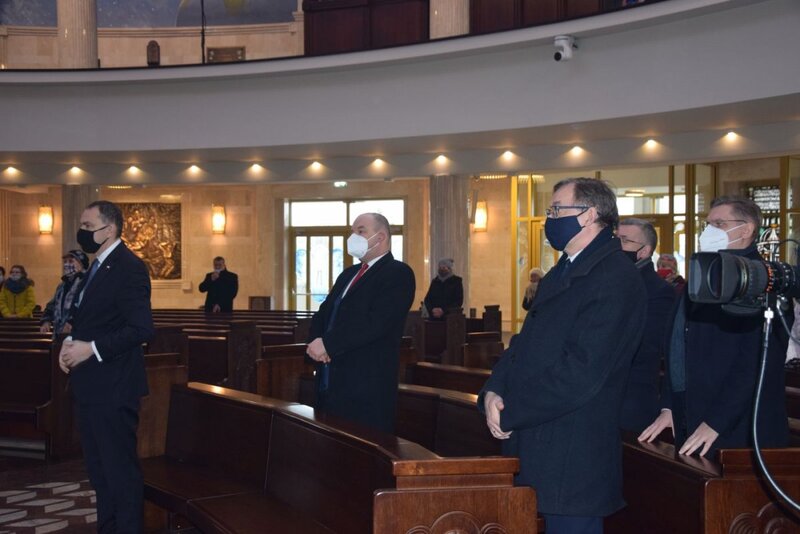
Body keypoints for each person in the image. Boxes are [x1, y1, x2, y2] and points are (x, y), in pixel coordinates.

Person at [479, 178, 646, 534]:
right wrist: (493, 391)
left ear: (589, 215)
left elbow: (582, 372)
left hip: (573, 448)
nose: (549, 219)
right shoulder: (564, 269)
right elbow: (524, 344)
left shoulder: (614, 276)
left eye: (556, 210)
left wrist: (512, 411)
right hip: (539, 436)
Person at [639, 196, 789, 456]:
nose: (709, 231)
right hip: (692, 413)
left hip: (738, 426)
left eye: (719, 223)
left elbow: (757, 363)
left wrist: (717, 421)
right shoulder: (706, 272)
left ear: (746, 229)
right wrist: (670, 406)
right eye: (707, 224)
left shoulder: (762, 279)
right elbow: (677, 343)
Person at [58, 200, 154, 533]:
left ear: (108, 229)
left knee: (120, 476)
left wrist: (92, 350)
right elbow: (89, 320)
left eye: (87, 226)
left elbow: (141, 329)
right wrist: (70, 346)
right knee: (100, 475)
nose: (81, 232)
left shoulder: (129, 267)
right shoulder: (96, 267)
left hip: (114, 389)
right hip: (92, 389)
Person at [306, 212, 415, 433]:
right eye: (352, 231)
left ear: (381, 236)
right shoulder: (348, 274)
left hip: (366, 384)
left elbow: (376, 323)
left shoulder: (398, 273)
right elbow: (324, 312)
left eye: (361, 231)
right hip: (331, 379)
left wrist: (329, 344)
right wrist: (316, 343)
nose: (353, 237)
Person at [616, 218, 676, 434]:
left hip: (630, 399)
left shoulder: (659, 292)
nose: (616, 246)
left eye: (624, 240)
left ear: (644, 251)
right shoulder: (607, 282)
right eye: (614, 238)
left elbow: (646, 346)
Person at [39, 250, 89, 337]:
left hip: (79, 335)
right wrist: (46, 321)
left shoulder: (86, 283)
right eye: (65, 262)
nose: (66, 264)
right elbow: (52, 305)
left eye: (71, 261)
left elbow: (87, 308)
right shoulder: (62, 285)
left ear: (81, 265)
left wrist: (71, 322)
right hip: (60, 334)